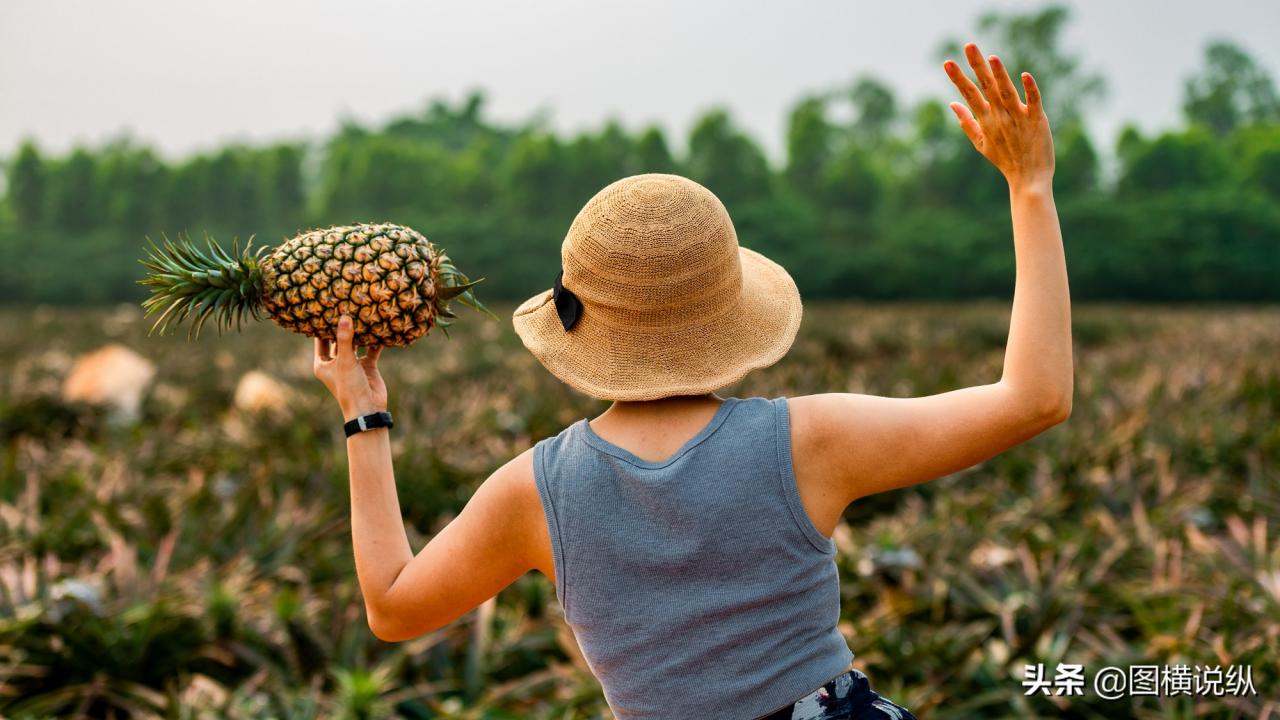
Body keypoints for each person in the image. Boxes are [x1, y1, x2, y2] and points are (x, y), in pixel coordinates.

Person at [313, 41, 1070, 720]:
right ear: (730, 312)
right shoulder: (809, 441)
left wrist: (363, 415)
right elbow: (1035, 398)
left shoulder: (534, 492)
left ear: (580, 322)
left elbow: (392, 606)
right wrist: (1029, 188)